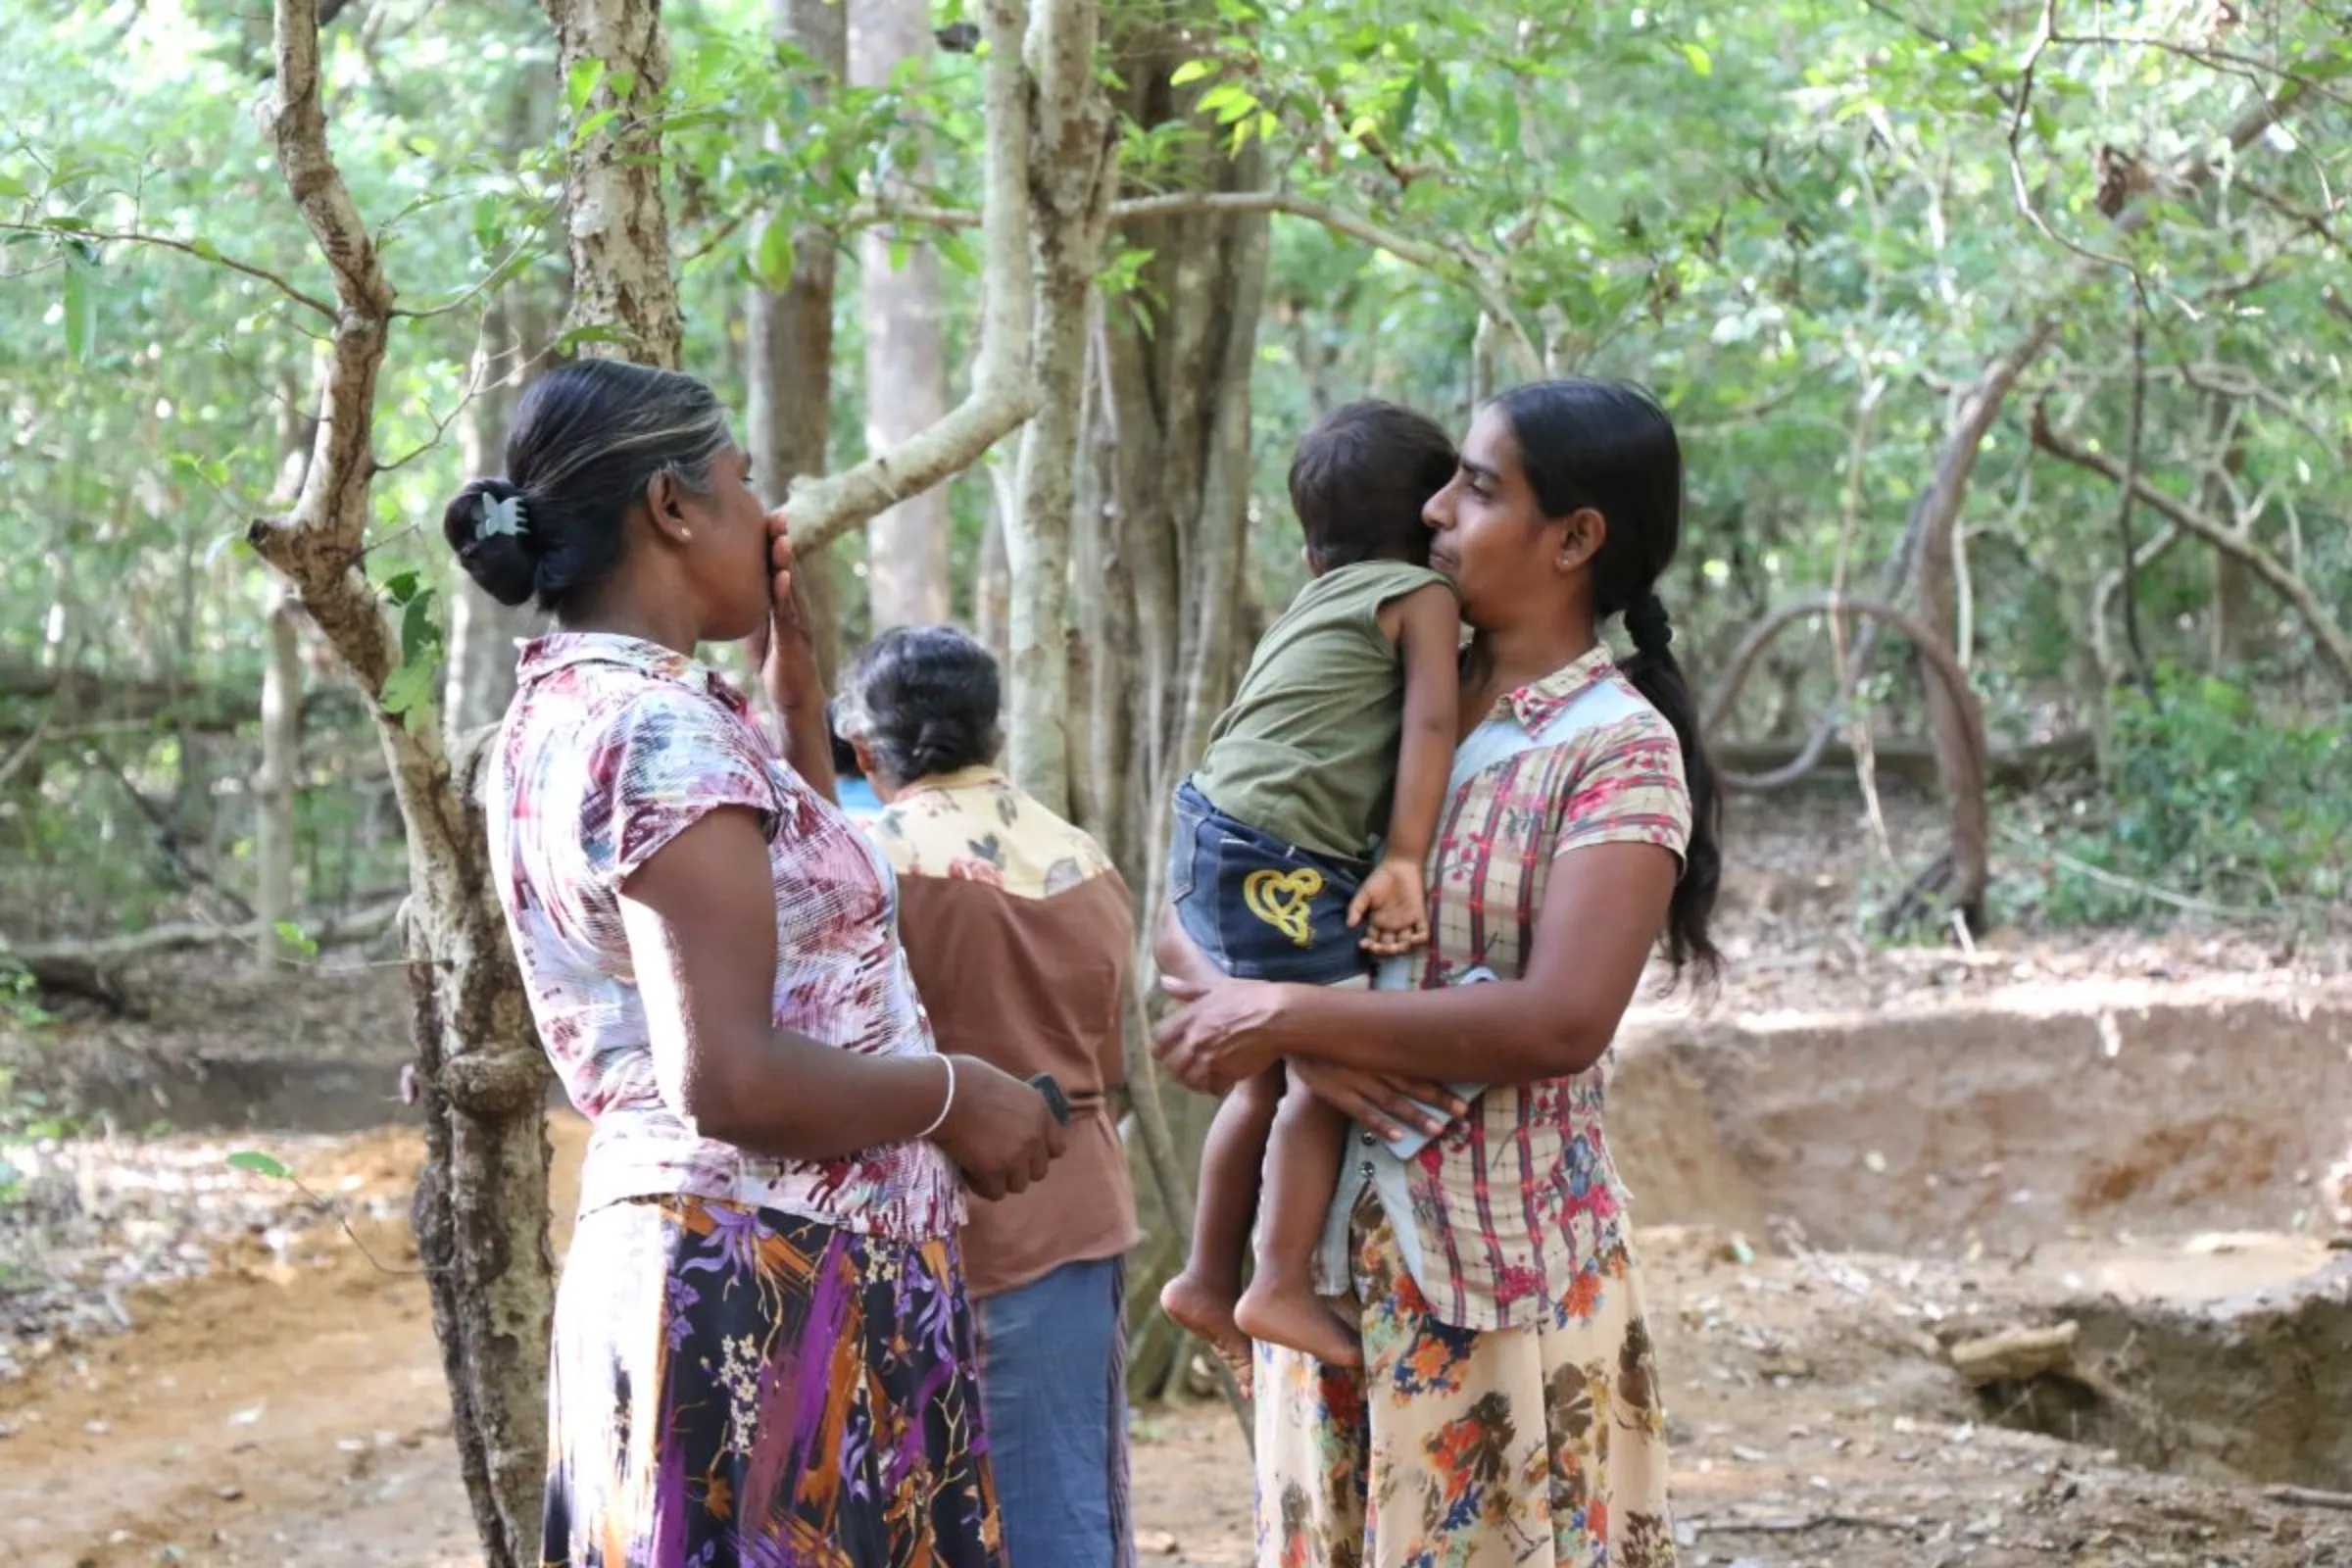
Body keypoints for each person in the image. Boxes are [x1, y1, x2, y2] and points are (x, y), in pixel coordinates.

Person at [444, 357, 1066, 1567]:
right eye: (740, 482)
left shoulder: (571, 712)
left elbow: (771, 942)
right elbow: (728, 1075)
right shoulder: (664, 731)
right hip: (775, 1290)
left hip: (721, 1271)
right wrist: (956, 1092)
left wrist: (798, 713)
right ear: (672, 506)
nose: (763, 510)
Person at [1152, 378, 1722, 1568]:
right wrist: (1283, 1024)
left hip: (1506, 1274)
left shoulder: (1614, 748)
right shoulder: (1376, 681)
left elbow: (1564, 1018)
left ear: (1576, 538)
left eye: (1476, 486)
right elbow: (1208, 864)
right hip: (1319, 1271)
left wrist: (1294, 1014)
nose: (1434, 510)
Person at [1157, 401, 1463, 1374]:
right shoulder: (1421, 594)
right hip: (1276, 851)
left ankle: (1205, 1278)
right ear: (1431, 520)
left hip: (1215, 831)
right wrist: (1406, 857)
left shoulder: (1314, 604)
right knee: (1327, 1063)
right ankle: (1275, 1278)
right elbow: (1427, 729)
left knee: (1265, 1073)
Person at [840, 625, 1142, 1568]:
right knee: (1062, 1500)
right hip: (1079, 1216)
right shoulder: (1081, 857)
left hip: (929, 1234)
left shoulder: (862, 862)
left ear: (864, 748)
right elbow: (1112, 1065)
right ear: (994, 731)